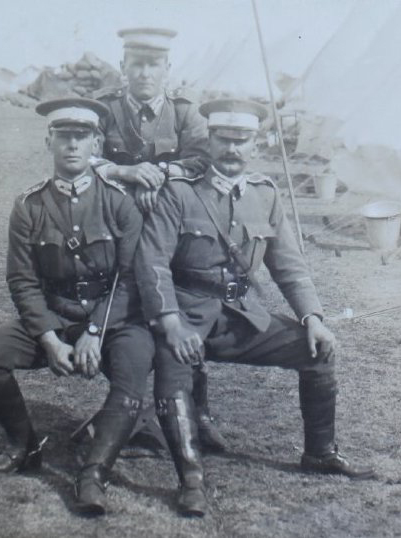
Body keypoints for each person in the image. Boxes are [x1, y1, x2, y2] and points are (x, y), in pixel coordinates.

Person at [134, 99, 374, 517]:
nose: (232, 149)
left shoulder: (265, 195)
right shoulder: (178, 192)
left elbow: (290, 266)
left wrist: (313, 319)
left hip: (240, 317)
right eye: (223, 139)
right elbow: (152, 262)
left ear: (255, 144)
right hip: (185, 315)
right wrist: (169, 323)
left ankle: (319, 452)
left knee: (316, 351)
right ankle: (190, 479)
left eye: (241, 141)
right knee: (173, 375)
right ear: (208, 140)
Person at [0, 97, 154, 516]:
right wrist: (49, 339)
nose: (72, 145)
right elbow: (22, 279)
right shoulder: (29, 205)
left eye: (81, 136)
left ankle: (94, 472)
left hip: (112, 320)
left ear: (96, 143)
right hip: (56, 317)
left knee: (135, 368)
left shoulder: (119, 201)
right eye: (63, 136)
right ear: (48, 141)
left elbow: (129, 279)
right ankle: (23, 445)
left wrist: (96, 331)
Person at [93, 26, 227, 453]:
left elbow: (203, 160)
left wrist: (162, 173)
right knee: (127, 311)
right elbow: (83, 157)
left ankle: (197, 411)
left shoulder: (186, 113)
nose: (145, 73)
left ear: (167, 69)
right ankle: (137, 414)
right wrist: (124, 172)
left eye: (154, 64)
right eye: (137, 64)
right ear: (123, 67)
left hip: (174, 228)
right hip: (117, 227)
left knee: (182, 305)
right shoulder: (103, 110)